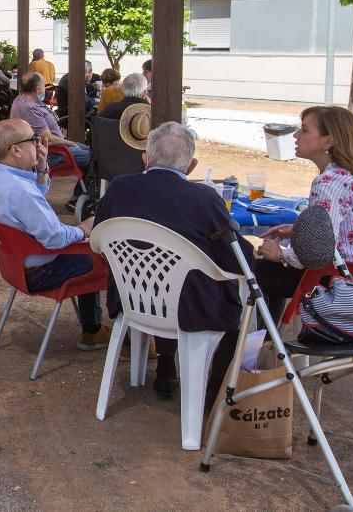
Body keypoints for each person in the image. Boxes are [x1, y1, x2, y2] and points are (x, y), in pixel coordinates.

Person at [95, 122, 254, 402]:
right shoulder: (204, 198)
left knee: (172, 276)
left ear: (145, 158)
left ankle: (166, 366)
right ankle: (214, 390)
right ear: (191, 166)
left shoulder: (119, 188)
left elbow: (100, 242)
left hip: (133, 298)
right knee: (238, 292)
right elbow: (236, 259)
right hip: (189, 309)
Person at [254, 106, 353, 319]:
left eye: (305, 130)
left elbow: (310, 256)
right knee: (271, 269)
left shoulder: (329, 182)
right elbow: (344, 229)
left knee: (259, 269)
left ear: (328, 141)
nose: (296, 135)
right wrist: (299, 231)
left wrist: (280, 254)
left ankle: (265, 343)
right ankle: (272, 339)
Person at [0, 120, 107, 349]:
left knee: (87, 244)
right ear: (16, 150)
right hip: (40, 271)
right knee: (107, 256)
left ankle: (94, 329)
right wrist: (85, 228)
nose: (39, 144)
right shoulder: (20, 191)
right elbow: (56, 238)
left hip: (16, 265)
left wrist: (40, 168)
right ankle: (99, 333)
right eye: (33, 140)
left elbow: (34, 197)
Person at [11, 73, 91, 184]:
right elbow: (48, 140)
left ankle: (81, 196)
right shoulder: (29, 108)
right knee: (96, 158)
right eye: (44, 86)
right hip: (53, 153)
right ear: (38, 88)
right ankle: (82, 196)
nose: (45, 89)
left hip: (56, 148)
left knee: (93, 152)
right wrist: (70, 143)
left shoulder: (22, 100)